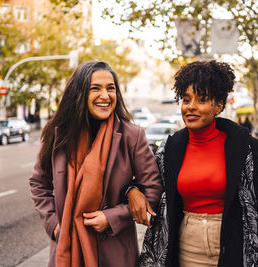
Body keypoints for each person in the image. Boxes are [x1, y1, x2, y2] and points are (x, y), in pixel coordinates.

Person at [126, 60, 258, 266]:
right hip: (187, 248)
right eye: (186, 99)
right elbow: (147, 181)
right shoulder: (171, 148)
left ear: (218, 105)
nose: (191, 107)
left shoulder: (244, 147)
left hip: (235, 247)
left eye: (202, 100)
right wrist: (132, 191)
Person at [29, 61, 162, 267]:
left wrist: (112, 217)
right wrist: (55, 227)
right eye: (95, 88)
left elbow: (153, 190)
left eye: (111, 88)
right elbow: (39, 184)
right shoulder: (58, 134)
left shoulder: (132, 136)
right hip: (67, 249)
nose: (105, 96)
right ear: (79, 94)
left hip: (115, 252)